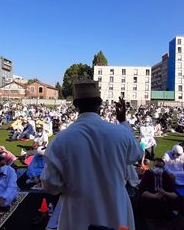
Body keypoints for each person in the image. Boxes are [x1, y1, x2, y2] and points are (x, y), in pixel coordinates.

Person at [41, 80, 142, 230]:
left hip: (77, 214)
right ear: (99, 105)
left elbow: (51, 184)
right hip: (116, 211)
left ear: (75, 105)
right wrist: (123, 122)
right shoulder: (121, 134)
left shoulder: (61, 140)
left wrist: (75, 184)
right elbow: (136, 154)